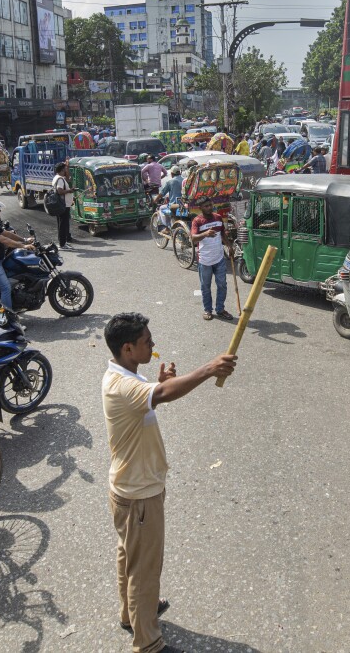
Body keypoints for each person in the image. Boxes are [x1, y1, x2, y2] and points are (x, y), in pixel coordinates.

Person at [101, 312, 237, 653]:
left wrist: (158, 386)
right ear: (128, 347)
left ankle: (130, 615)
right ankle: (148, 643)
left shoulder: (125, 374)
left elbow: (155, 394)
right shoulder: (123, 385)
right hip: (139, 494)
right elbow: (160, 393)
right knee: (145, 571)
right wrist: (208, 369)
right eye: (148, 341)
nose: (153, 344)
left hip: (128, 489)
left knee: (129, 557)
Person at [190, 201, 233, 320]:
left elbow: (222, 233)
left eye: (210, 205)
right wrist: (205, 234)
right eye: (206, 206)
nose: (209, 208)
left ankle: (220, 309)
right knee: (205, 286)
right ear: (200, 208)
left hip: (219, 258)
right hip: (204, 260)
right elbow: (193, 239)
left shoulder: (218, 218)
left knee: (222, 285)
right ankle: (208, 310)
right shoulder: (197, 221)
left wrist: (229, 246)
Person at [52, 161, 74, 248]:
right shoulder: (60, 179)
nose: (65, 171)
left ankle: (63, 242)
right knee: (63, 225)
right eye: (64, 169)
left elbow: (68, 179)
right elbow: (60, 191)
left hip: (61, 204)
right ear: (61, 170)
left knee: (61, 224)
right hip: (63, 204)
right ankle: (62, 244)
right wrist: (69, 191)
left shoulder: (57, 177)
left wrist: (67, 167)